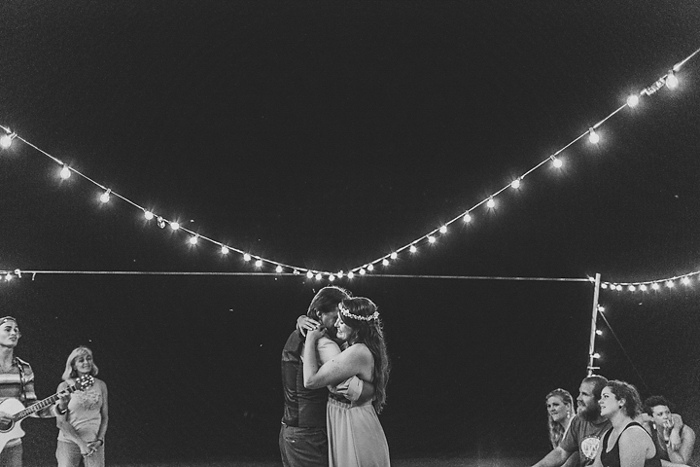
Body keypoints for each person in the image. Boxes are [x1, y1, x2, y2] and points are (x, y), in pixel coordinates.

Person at [280, 286, 373, 467]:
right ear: (319, 313)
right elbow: (345, 387)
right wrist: (373, 389)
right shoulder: (324, 344)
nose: (340, 321)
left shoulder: (299, 334)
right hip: (310, 432)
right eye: (337, 315)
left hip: (291, 431)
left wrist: (301, 319)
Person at [303, 296, 390, 467]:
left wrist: (310, 340)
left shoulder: (357, 352)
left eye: (341, 322)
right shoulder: (355, 347)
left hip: (354, 423)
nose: (336, 324)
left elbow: (311, 381)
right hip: (346, 418)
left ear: (356, 327)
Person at [0, 316, 56, 467]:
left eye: (16, 331)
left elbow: (31, 406)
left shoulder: (24, 369)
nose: (13, 333)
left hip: (12, 445)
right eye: (8, 329)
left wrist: (58, 408)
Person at [532, 375, 611, 467]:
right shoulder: (579, 421)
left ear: (600, 399)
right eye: (580, 393)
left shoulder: (615, 423)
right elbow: (561, 453)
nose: (578, 398)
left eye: (585, 394)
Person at [55, 346, 109, 467]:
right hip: (69, 442)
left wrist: (99, 441)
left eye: (88, 358)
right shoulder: (64, 386)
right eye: (81, 360)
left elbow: (104, 417)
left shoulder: (101, 385)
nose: (86, 362)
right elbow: (61, 423)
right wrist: (81, 444)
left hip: (94, 443)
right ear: (73, 365)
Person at [591, 380, 660, 467]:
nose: (600, 401)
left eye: (606, 396)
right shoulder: (607, 435)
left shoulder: (633, 434)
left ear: (621, 402)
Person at [642, 396, 695, 467]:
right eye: (660, 414)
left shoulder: (686, 432)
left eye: (668, 412)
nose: (666, 416)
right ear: (651, 418)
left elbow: (681, 464)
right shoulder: (648, 428)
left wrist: (670, 439)